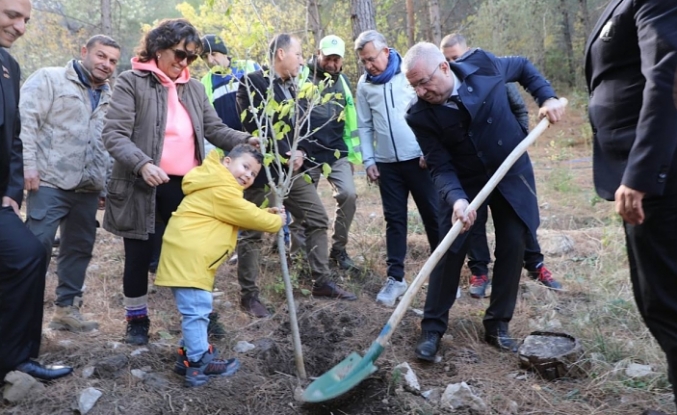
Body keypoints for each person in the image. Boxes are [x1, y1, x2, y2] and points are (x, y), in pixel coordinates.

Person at [401, 42, 565, 360]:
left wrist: (546, 97)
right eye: (414, 85)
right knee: (449, 250)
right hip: (463, 182)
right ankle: (432, 329)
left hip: (509, 170)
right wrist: (458, 201)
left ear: (445, 68)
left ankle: (497, 325)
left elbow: (522, 65)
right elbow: (439, 165)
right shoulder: (419, 116)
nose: (420, 91)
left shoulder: (483, 64)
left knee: (514, 243)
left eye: (424, 82)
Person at [102, 18, 256, 345]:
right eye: (179, 54)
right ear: (158, 49)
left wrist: (247, 139)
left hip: (186, 186)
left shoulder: (194, 88)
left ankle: (203, 315)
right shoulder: (131, 82)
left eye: (191, 57)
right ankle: (137, 321)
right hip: (140, 182)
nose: (184, 63)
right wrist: (142, 163)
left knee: (194, 251)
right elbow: (113, 134)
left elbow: (214, 129)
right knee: (139, 253)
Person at [585, 2, 677, 414]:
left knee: (666, 303)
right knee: (657, 300)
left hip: (658, 179)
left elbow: (667, 75)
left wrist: (640, 174)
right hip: (639, 173)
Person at [236, 33, 357, 318]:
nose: (302, 60)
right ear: (280, 54)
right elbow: (254, 127)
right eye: (298, 54)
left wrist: (301, 149)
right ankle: (249, 296)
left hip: (291, 173)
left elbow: (302, 125)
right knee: (252, 233)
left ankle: (321, 281)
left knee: (316, 217)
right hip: (262, 172)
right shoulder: (253, 82)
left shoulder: (299, 85)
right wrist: (285, 152)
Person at [439, 33, 561, 297]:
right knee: (475, 219)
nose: (453, 64)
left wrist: (517, 142)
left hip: (507, 162)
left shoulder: (490, 74)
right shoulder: (446, 93)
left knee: (519, 216)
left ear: (468, 52)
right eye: (447, 60)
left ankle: (535, 262)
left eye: (457, 57)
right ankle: (479, 271)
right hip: (473, 168)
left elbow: (518, 109)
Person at [155, 144, 285, 387]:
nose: (247, 175)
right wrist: (275, 220)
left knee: (195, 311)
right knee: (197, 311)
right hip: (191, 260)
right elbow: (246, 215)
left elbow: (239, 212)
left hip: (189, 257)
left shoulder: (217, 184)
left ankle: (188, 356)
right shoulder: (221, 188)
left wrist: (266, 211)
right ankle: (198, 364)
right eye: (245, 166)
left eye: (253, 173)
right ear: (227, 162)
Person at [19, 35, 121, 332]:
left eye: (113, 61)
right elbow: (25, 123)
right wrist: (28, 167)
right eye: (101, 56)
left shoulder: (110, 95)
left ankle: (67, 309)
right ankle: (22, 312)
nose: (107, 64)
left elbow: (109, 142)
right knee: (36, 247)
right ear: (84, 52)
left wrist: (104, 185)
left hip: (88, 188)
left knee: (79, 247)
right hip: (49, 181)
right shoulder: (50, 79)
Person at [0, 0, 73, 382]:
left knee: (28, 254)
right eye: (12, 15)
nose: (21, 27)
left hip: (2, 200)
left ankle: (15, 359)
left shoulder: (9, 67)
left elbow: (13, 136)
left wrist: (13, 191)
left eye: (26, 19)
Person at [354, 30, 441, 307]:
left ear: (386, 52)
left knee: (433, 215)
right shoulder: (364, 85)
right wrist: (369, 160)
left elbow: (429, 109)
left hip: (418, 159)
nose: (369, 66)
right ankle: (396, 279)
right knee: (395, 220)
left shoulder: (408, 74)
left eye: (371, 59)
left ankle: (443, 274)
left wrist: (430, 150)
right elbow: (364, 125)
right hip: (386, 165)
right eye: (364, 61)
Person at [290, 34, 361, 271]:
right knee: (301, 208)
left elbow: (351, 120)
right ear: (317, 54)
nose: (331, 63)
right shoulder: (301, 76)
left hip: (335, 152)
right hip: (306, 152)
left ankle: (338, 249)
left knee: (348, 195)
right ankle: (298, 257)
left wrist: (351, 155)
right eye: (327, 57)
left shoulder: (343, 83)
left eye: (336, 59)